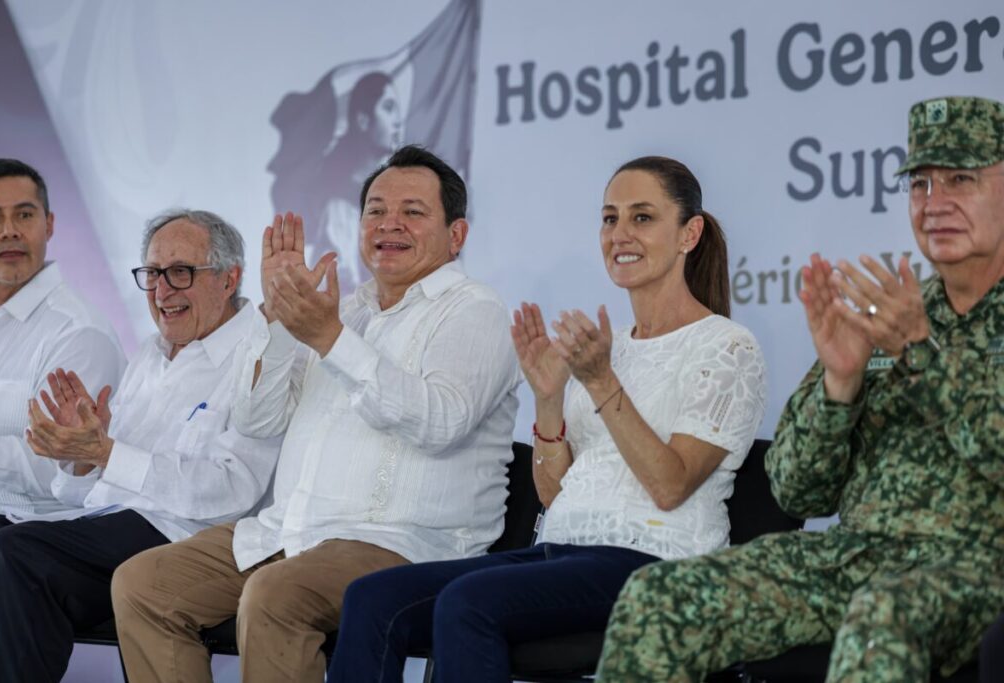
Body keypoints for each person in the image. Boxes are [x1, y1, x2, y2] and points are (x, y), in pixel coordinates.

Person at [596, 95, 1004, 682]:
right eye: (920, 184)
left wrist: (923, 357)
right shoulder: (891, 313)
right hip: (857, 558)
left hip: (978, 565)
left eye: (960, 179)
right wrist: (840, 385)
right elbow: (797, 490)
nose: (934, 202)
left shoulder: (907, 328)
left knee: (882, 618)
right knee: (657, 598)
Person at [326, 155, 767, 683]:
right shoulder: (608, 346)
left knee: (468, 601)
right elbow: (555, 493)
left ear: (689, 234)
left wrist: (601, 382)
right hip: (562, 554)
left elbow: (670, 487)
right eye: (610, 218)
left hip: (659, 563)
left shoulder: (727, 346)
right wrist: (550, 399)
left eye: (642, 217)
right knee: (373, 598)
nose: (620, 234)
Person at [111, 145, 520, 682]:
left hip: (404, 544)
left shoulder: (476, 310)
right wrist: (280, 318)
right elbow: (259, 420)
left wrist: (330, 339)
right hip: (290, 532)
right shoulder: (343, 310)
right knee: (143, 585)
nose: (389, 224)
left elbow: (440, 422)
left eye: (412, 212)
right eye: (376, 211)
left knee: (275, 596)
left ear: (457, 235)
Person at [0, 209, 283, 683]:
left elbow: (232, 491)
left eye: (181, 272)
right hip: (109, 525)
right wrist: (81, 455)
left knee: (16, 554)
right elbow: (89, 493)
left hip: (186, 536)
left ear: (229, 279)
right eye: (153, 274)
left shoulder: (261, 354)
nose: (162, 291)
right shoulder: (149, 354)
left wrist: (106, 453)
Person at [0, 158, 125, 536]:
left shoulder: (79, 333)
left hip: (20, 529)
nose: (9, 231)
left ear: (49, 224)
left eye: (24, 215)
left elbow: (60, 472)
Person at [270, 71, 404, 286]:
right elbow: (340, 287)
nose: (398, 121)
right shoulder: (342, 207)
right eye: (388, 108)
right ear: (363, 120)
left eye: (398, 110)